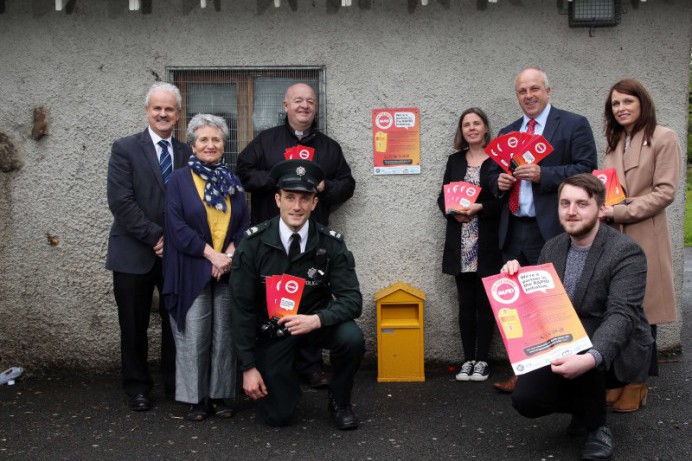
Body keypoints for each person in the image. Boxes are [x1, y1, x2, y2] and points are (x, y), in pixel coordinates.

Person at [504, 173, 653, 461]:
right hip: (565, 339)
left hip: (612, 344)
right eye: (565, 203)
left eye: (582, 204)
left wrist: (592, 357)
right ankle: (584, 408)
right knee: (525, 400)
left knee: (586, 341)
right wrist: (516, 277)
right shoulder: (553, 247)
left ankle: (598, 427)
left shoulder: (626, 252)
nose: (571, 211)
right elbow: (540, 305)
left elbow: (621, 315)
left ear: (600, 208)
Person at [229, 159, 365, 430]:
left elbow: (352, 301)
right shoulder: (253, 243)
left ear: (315, 203)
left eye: (305, 199)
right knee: (278, 417)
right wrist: (247, 368)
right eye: (290, 197)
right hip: (273, 331)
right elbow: (241, 309)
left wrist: (317, 320)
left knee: (351, 337)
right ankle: (285, 384)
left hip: (314, 323)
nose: (297, 206)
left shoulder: (331, 244)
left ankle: (340, 401)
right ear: (278, 199)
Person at [237, 83, 356, 389]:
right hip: (271, 241)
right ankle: (273, 366)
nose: (304, 106)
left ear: (315, 108)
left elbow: (348, 184)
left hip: (312, 240)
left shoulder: (330, 147)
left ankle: (311, 368)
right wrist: (278, 182)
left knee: (310, 299)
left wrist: (323, 188)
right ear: (285, 105)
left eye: (310, 102)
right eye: (298, 101)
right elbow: (244, 173)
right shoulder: (266, 141)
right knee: (272, 304)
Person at [490, 67, 598, 393]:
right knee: (516, 306)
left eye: (535, 89)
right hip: (513, 228)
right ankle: (523, 372)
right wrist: (498, 182)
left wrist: (543, 175)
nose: (529, 96)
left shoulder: (573, 124)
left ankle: (559, 373)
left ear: (548, 91)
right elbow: (493, 176)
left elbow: (586, 169)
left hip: (551, 229)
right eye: (523, 91)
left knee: (553, 304)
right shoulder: (509, 131)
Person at [106, 82, 192, 411]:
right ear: (147, 110)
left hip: (176, 254)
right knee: (133, 323)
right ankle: (138, 387)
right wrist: (158, 237)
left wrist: (176, 241)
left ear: (178, 114)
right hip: (133, 252)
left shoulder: (186, 153)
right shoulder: (125, 148)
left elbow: (192, 204)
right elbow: (121, 202)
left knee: (176, 323)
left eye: (169, 109)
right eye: (157, 108)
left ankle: (175, 384)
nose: (163, 113)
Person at [162, 114, 249, 421]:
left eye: (216, 140)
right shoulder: (179, 180)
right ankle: (196, 399)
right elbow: (176, 226)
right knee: (194, 334)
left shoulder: (232, 180)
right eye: (203, 140)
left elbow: (243, 224)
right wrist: (212, 255)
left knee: (224, 334)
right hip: (192, 267)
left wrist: (229, 255)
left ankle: (220, 395)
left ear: (224, 145)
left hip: (226, 269)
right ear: (192, 145)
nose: (210, 145)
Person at [601, 79, 681, 412]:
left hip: (644, 233)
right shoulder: (614, 141)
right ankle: (620, 380)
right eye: (615, 104)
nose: (621, 108)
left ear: (642, 103)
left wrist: (619, 210)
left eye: (627, 102)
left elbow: (665, 193)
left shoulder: (664, 137)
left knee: (643, 312)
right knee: (619, 309)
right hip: (613, 235)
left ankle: (638, 382)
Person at [437, 108, 502, 382]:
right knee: (465, 303)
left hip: (486, 240)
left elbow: (503, 202)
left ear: (486, 128)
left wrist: (479, 208)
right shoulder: (454, 161)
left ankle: (483, 361)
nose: (472, 128)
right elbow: (442, 197)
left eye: (477, 123)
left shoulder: (498, 161)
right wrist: (453, 211)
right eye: (467, 125)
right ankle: (467, 360)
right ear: (461, 131)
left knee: (486, 303)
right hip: (461, 240)